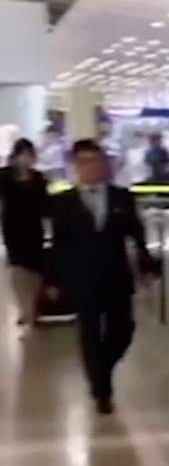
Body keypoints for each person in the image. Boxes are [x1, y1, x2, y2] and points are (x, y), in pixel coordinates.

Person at [50, 139, 153, 415]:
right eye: (84, 162)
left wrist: (146, 264)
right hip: (82, 279)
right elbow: (57, 244)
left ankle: (102, 369)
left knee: (123, 331)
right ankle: (101, 391)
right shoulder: (63, 202)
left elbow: (136, 233)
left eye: (95, 160)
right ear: (74, 166)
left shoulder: (121, 197)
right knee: (91, 334)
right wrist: (54, 280)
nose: (91, 167)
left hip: (117, 276)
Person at [0, 139, 49, 330]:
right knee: (18, 269)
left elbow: (46, 205)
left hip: (34, 228)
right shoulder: (4, 176)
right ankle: (24, 309)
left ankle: (34, 307)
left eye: (30, 155)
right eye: (23, 155)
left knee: (36, 270)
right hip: (12, 227)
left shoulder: (39, 178)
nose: (27, 159)